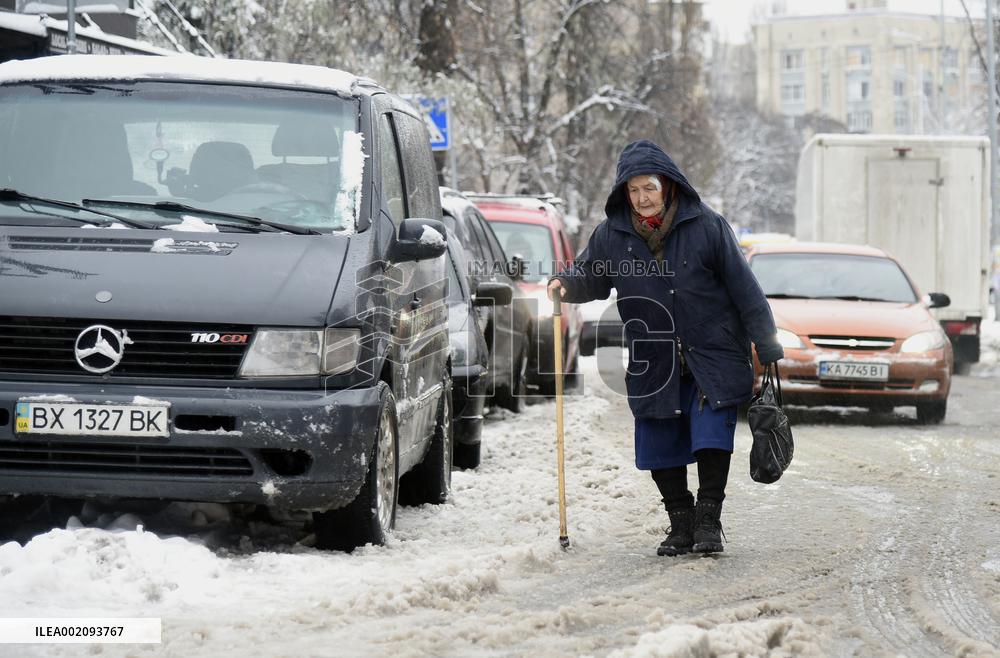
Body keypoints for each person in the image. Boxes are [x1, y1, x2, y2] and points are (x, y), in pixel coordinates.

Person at [547, 140, 783, 556]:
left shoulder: (707, 226)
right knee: (658, 439)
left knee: (711, 436)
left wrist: (766, 342)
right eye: (634, 190)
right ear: (624, 193)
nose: (642, 198)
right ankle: (681, 522)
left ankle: (709, 520)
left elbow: (746, 289)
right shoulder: (612, 235)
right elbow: (591, 275)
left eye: (649, 188)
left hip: (712, 351)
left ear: (668, 185)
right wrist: (565, 284)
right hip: (653, 356)